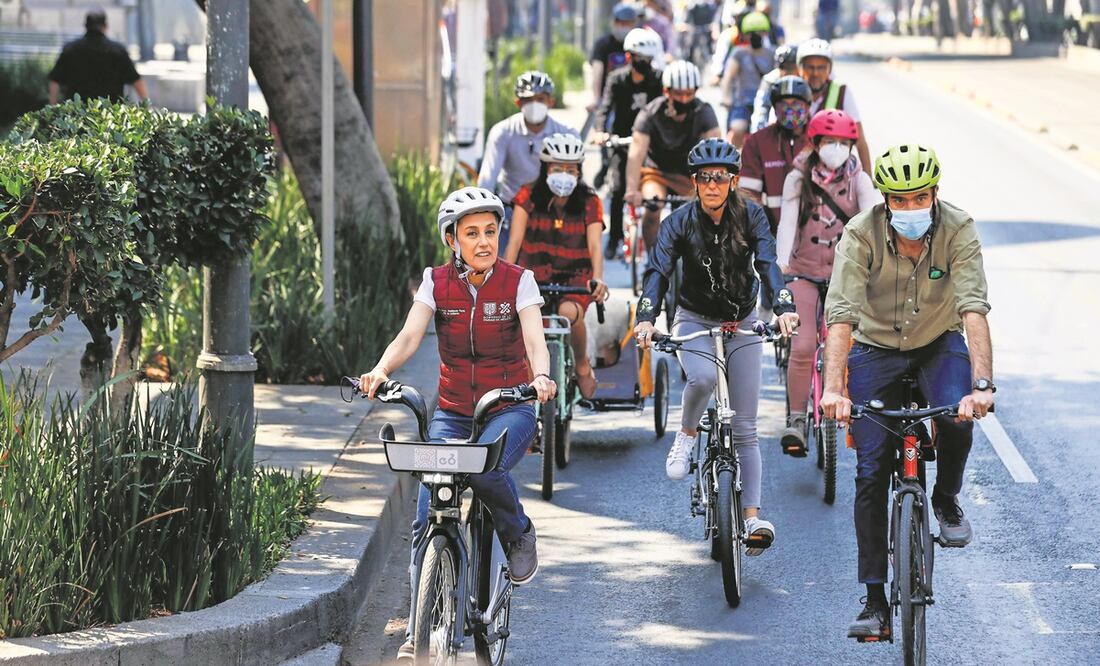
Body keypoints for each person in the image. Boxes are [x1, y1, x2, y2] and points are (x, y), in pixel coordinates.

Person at [358, 187, 557, 661]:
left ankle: (517, 532)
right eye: (472, 233)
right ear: (453, 240)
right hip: (452, 411)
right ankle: (417, 628)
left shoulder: (519, 282)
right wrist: (381, 370)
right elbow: (410, 335)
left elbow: (535, 339)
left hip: (508, 407)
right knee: (427, 512)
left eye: (490, 231)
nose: (484, 241)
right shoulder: (436, 282)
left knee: (485, 470)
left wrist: (541, 377)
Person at [819, 144, 994, 640]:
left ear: (935, 193)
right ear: (885, 200)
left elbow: (973, 308)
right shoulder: (860, 234)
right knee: (871, 470)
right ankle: (875, 601)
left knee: (957, 416)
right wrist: (833, 389)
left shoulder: (959, 228)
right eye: (899, 199)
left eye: (920, 197)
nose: (910, 207)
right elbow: (841, 315)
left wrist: (982, 385)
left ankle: (946, 497)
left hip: (939, 342)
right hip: (874, 348)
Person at [633, 138, 799, 554]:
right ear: (694, 182)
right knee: (703, 377)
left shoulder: (752, 216)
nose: (712, 185)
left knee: (745, 427)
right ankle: (687, 433)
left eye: (720, 178)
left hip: (742, 320)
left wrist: (783, 308)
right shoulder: (678, 222)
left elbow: (768, 264)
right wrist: (646, 318)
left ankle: (752, 518)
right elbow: (658, 271)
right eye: (704, 178)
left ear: (733, 181)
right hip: (693, 318)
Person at [774, 109, 881, 454]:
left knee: (849, 347)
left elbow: (873, 222)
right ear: (816, 143)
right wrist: (781, 264)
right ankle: (796, 420)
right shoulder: (797, 178)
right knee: (803, 346)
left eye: (844, 142)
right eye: (829, 141)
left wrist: (877, 266)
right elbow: (787, 224)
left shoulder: (859, 180)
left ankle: (854, 413)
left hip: (844, 276)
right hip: (802, 272)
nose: (837, 148)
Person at [504, 134, 610, 398]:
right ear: (545, 168)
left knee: (568, 313)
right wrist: (503, 278)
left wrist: (598, 279)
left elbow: (595, 246)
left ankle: (582, 365)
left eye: (571, 170)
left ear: (579, 172)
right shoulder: (527, 196)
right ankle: (532, 387)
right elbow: (514, 242)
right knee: (530, 322)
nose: (564, 175)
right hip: (533, 275)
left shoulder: (590, 201)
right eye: (558, 168)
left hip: (576, 277)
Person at [624, 60, 721, 254]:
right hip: (656, 173)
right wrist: (632, 190)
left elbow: (715, 151)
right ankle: (654, 260)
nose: (684, 99)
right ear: (666, 91)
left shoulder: (704, 112)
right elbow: (636, 154)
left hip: (690, 175)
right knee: (653, 206)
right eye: (678, 94)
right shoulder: (650, 113)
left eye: (689, 94)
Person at [479, 71, 578, 251]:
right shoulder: (503, 132)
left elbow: (576, 179)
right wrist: (482, 212)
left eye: (540, 99)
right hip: (510, 211)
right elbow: (488, 178)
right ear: (518, 103)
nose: (535, 104)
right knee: (499, 262)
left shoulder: (567, 134)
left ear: (551, 102)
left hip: (551, 212)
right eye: (528, 100)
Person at [592, 27, 665, 259]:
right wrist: (600, 131)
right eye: (639, 58)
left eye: (648, 59)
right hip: (622, 142)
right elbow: (604, 108)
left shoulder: (659, 80)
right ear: (628, 57)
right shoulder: (616, 79)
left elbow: (666, 110)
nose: (644, 63)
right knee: (617, 189)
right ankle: (614, 239)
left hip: (652, 144)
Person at [738, 75, 812, 233]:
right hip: (772, 232)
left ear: (808, 106)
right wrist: (760, 234)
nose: (790, 109)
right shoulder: (757, 142)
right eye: (783, 104)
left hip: (815, 233)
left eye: (796, 103)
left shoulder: (818, 139)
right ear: (774, 107)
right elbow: (748, 196)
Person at [797, 38, 872, 175]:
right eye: (810, 67)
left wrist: (868, 178)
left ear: (829, 69)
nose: (815, 73)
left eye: (821, 67)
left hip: (835, 173)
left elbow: (860, 140)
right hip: (797, 169)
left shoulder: (841, 91)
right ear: (800, 68)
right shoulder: (791, 92)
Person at [47, 8, 148, 105]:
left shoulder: (70, 49)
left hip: (76, 112)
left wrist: (52, 106)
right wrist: (146, 106)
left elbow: (55, 80)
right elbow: (136, 80)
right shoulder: (117, 50)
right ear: (105, 26)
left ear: (85, 26)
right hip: (110, 113)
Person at [717, 11, 775, 148]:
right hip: (742, 102)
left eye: (760, 32)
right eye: (751, 32)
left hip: (765, 102)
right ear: (744, 35)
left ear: (765, 33)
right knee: (738, 128)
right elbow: (728, 76)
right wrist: (726, 98)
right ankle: (736, 155)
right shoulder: (739, 53)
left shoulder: (772, 53)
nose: (756, 35)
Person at [587, 2, 639, 113]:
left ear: (633, 24)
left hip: (632, 100)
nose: (624, 27)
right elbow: (597, 70)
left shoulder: (638, 46)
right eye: (622, 23)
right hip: (607, 99)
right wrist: (596, 99)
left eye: (628, 24)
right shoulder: (603, 45)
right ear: (614, 23)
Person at [749, 44, 799, 132]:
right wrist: (760, 133)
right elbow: (761, 108)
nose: (788, 72)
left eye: (792, 67)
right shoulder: (770, 80)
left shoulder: (807, 79)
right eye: (784, 67)